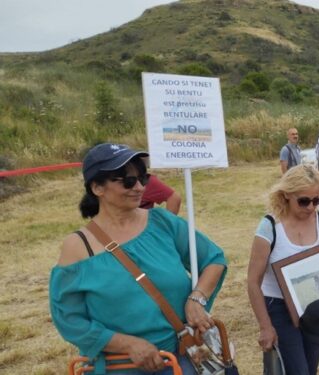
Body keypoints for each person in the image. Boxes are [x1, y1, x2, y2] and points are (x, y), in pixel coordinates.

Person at [49, 143, 227, 374]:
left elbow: (214, 259)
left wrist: (197, 298)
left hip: (184, 358)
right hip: (121, 367)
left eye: (143, 178)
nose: (140, 187)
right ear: (97, 188)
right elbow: (69, 319)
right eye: (128, 181)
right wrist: (127, 344)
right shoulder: (78, 247)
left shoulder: (163, 222)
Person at [247, 164, 319, 375]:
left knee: (309, 368)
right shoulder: (270, 226)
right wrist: (265, 326)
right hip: (278, 307)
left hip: (312, 306)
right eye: (304, 201)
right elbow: (253, 282)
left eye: (317, 200)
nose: (310, 207)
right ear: (287, 194)